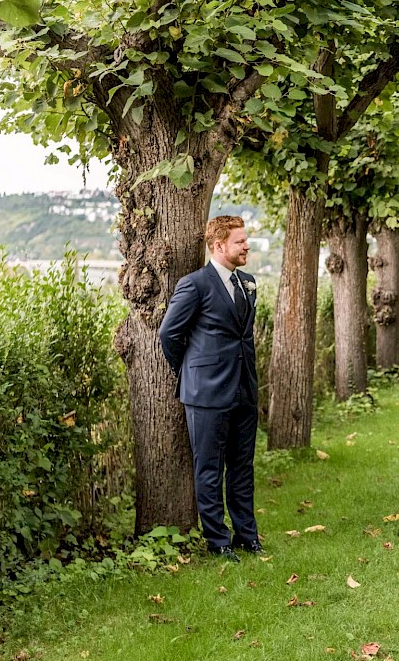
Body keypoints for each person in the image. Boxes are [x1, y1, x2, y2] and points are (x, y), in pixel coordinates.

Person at [159, 215, 262, 563]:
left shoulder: (247, 282)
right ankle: (218, 541)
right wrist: (191, 372)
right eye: (240, 241)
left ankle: (248, 536)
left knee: (242, 466)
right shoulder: (195, 284)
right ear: (219, 246)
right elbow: (168, 334)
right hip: (206, 394)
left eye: (246, 240)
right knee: (209, 468)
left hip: (245, 391)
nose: (247, 245)